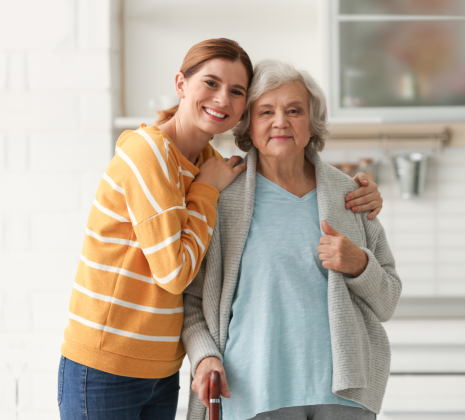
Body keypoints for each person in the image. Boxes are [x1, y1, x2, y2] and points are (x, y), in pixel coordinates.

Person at [58, 38, 383, 419]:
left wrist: (363, 236)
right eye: (210, 83)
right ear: (181, 84)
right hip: (107, 362)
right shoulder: (156, 158)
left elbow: (386, 293)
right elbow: (179, 277)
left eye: (236, 91)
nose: (222, 99)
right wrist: (208, 190)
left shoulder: (213, 167)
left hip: (161, 368)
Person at [182, 60, 401, 420]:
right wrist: (205, 355)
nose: (280, 121)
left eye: (294, 110)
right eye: (266, 111)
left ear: (312, 124)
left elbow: (388, 301)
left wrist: (359, 264)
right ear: (248, 126)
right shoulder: (221, 197)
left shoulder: (351, 196)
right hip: (251, 390)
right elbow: (191, 300)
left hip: (341, 396)